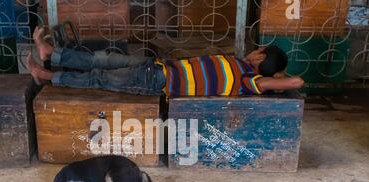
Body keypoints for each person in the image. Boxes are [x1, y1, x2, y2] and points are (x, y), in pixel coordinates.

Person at [26, 27, 304, 97]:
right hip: (158, 66)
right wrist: (273, 70)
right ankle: (52, 54)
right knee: (103, 58)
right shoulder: (238, 64)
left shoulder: (249, 82)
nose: (254, 50)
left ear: (261, 57)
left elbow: (296, 81)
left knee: (98, 76)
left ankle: (46, 75)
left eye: (260, 50)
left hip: (156, 81)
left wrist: (277, 76)